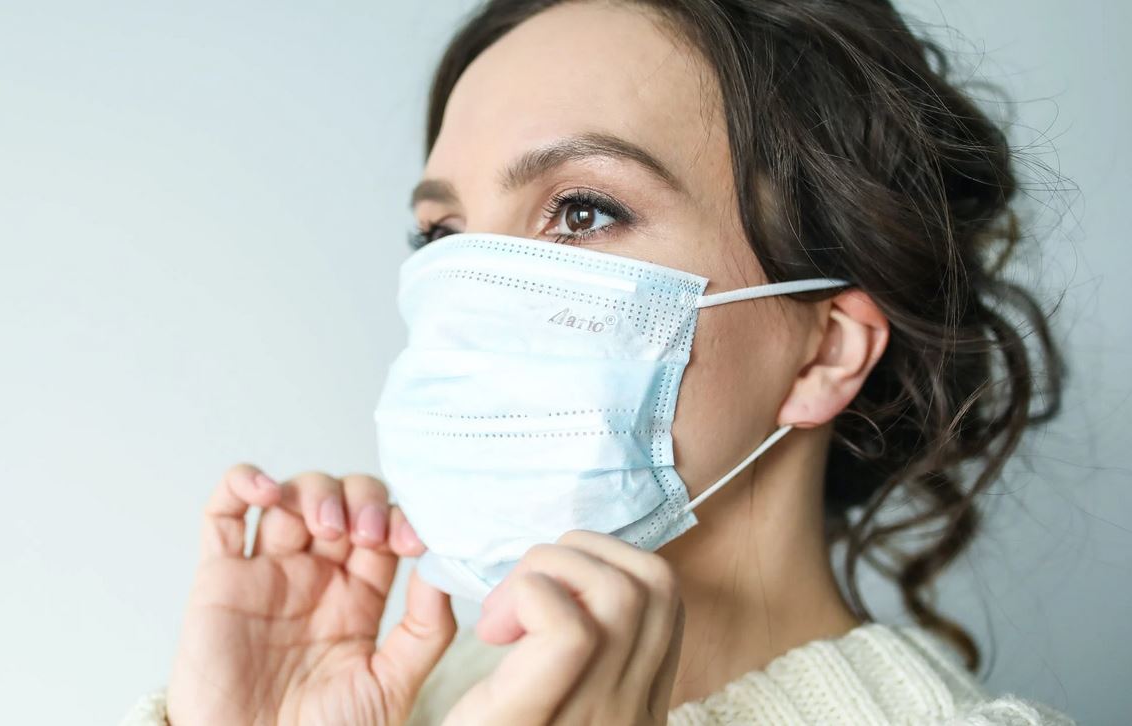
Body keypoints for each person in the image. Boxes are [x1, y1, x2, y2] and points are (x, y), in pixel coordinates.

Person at [122, 1, 1076, 723]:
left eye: (581, 211)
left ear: (823, 349)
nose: (474, 292)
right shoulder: (403, 697)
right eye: (445, 235)